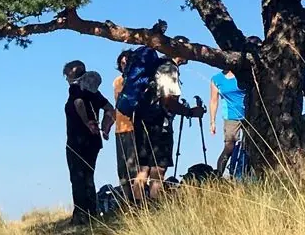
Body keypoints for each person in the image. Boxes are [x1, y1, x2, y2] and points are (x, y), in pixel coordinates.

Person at [130, 44, 205, 203]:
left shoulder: (153, 67)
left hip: (140, 121)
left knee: (143, 169)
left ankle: (137, 209)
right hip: (158, 124)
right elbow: (168, 101)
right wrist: (190, 112)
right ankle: (155, 207)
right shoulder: (169, 68)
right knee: (158, 169)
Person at [63, 61, 114, 225]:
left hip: (77, 139)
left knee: (77, 177)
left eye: (67, 73)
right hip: (93, 141)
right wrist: (105, 128)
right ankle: (91, 212)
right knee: (88, 176)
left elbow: (78, 103)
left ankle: (81, 215)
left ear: (72, 73)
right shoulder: (94, 92)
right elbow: (110, 109)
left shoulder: (76, 88)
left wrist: (86, 122)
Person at [111, 50, 139, 195]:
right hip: (120, 128)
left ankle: (140, 200)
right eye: (122, 63)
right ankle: (128, 202)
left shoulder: (139, 80)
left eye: (127, 62)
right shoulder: (117, 82)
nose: (125, 66)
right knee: (122, 169)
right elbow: (117, 105)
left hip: (134, 127)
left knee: (134, 167)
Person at [208, 68, 245, 174]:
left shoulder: (244, 74)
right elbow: (214, 101)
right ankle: (218, 175)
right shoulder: (216, 79)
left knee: (251, 145)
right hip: (231, 116)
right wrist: (212, 122)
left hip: (249, 113)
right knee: (229, 146)